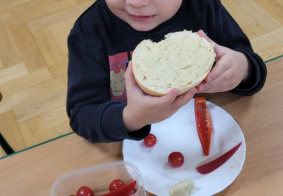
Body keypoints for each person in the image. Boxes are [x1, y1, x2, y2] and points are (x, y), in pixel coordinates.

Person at [66, 0, 267, 143]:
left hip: (212, 132)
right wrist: (133, 118)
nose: (137, 2)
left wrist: (243, 68)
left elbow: (252, 69)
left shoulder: (205, 7)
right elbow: (82, 117)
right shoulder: (88, 33)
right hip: (131, 151)